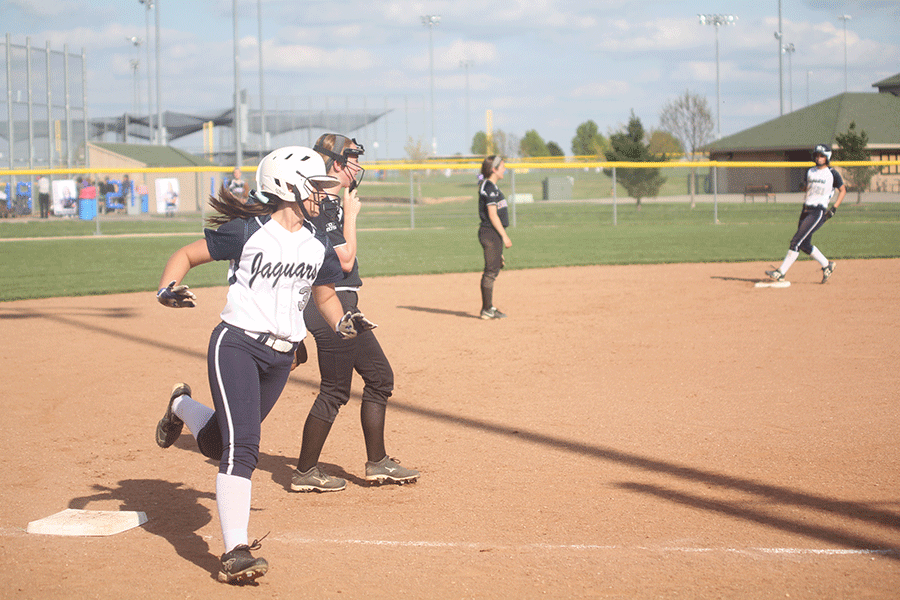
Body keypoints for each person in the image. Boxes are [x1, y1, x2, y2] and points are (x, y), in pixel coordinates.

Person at [153, 146, 373, 584]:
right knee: (244, 448)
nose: (325, 195)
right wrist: (167, 288)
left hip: (280, 358)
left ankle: (180, 406)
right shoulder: (247, 231)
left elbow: (324, 294)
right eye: (317, 186)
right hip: (236, 345)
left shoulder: (316, 242)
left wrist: (344, 322)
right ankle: (235, 550)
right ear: (288, 186)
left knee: (219, 444)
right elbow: (187, 255)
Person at [290, 133, 419, 493]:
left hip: (340, 303)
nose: (357, 166)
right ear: (333, 163)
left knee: (378, 378)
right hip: (331, 304)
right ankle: (305, 471)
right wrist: (351, 214)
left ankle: (377, 462)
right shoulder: (323, 205)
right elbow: (345, 261)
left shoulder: (320, 202)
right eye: (351, 159)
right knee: (335, 389)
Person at [766, 144, 845, 284]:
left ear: (827, 157)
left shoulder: (832, 173)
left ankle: (780, 272)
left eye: (822, 156)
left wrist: (834, 208)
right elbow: (806, 188)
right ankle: (827, 265)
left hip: (818, 212)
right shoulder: (810, 171)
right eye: (816, 155)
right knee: (804, 244)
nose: (818, 158)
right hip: (806, 210)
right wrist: (803, 187)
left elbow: (843, 190)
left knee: (796, 241)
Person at [477, 155, 512, 319]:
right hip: (490, 233)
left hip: (493, 234)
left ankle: (488, 307)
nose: (504, 169)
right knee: (490, 272)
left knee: (495, 267)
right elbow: (492, 215)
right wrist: (505, 237)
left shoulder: (492, 187)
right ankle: (487, 309)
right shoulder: (489, 187)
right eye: (502, 166)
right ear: (494, 169)